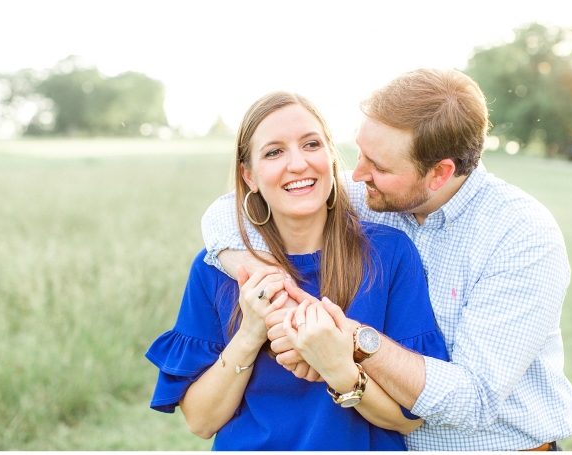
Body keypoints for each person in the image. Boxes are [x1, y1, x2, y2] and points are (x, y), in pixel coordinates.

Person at [200, 69, 572, 451]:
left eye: (379, 166)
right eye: (360, 153)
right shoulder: (368, 191)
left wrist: (347, 339)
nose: (357, 172)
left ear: (439, 174)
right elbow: (227, 211)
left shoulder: (521, 237)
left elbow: (475, 400)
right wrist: (272, 285)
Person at [145, 91, 449, 450]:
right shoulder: (215, 269)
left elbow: (408, 418)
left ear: (330, 156)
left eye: (311, 144)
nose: (299, 164)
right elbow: (200, 421)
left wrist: (338, 369)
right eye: (274, 152)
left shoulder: (389, 253)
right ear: (250, 175)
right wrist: (251, 332)